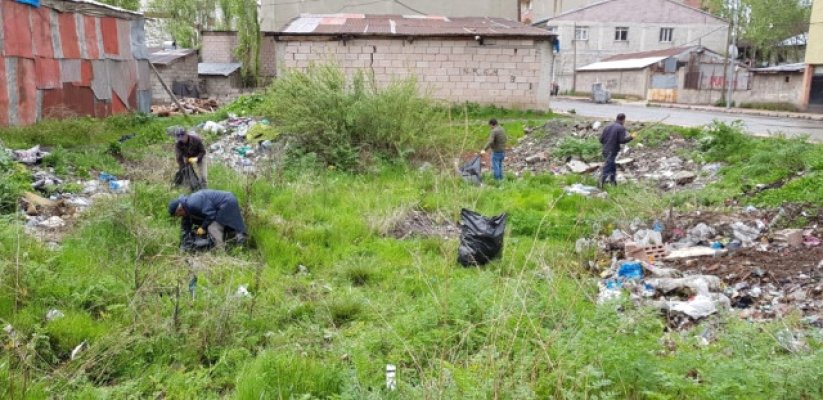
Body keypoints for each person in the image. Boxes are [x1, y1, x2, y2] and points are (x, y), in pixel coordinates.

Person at [168, 190, 247, 249]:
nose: (179, 217)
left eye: (177, 215)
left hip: (227, 203)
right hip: (221, 205)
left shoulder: (193, 203)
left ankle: (220, 250)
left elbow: (211, 214)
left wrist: (203, 227)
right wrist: (184, 244)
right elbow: (185, 227)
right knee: (211, 224)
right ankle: (233, 237)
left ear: (179, 209)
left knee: (213, 227)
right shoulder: (187, 208)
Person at [599, 113, 635, 188]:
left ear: (617, 118)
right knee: (608, 167)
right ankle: (600, 184)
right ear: (623, 119)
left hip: (605, 150)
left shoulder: (607, 126)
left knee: (612, 167)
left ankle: (613, 184)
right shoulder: (621, 128)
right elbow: (622, 141)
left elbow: (601, 140)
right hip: (612, 151)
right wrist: (631, 137)